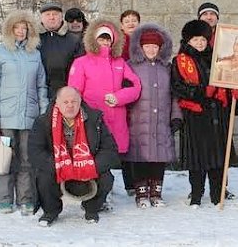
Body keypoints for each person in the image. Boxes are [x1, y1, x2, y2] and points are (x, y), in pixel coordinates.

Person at [171, 20, 238, 207]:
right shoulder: (180, 61)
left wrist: (236, 94)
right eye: (195, 40)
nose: (200, 43)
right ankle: (196, 194)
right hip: (195, 116)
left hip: (218, 115)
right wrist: (203, 92)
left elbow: (231, 81)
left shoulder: (219, 58)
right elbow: (178, 87)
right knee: (197, 160)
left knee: (217, 159)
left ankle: (216, 193)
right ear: (188, 41)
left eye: (203, 39)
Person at [0, 10, 49, 215]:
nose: (21, 31)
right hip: (5, 115)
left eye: (25, 28)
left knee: (27, 160)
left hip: (29, 116)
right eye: (17, 28)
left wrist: (44, 113)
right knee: (5, 159)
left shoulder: (35, 54)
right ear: (10, 30)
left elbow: (41, 86)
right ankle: (4, 199)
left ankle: (26, 198)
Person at [68, 19, 142, 197]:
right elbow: (74, 91)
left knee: (110, 155)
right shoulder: (81, 62)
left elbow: (135, 86)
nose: (105, 42)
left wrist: (118, 97)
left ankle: (106, 191)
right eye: (101, 39)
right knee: (92, 154)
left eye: (108, 39)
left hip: (116, 118)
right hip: (91, 119)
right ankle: (95, 193)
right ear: (94, 39)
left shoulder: (120, 63)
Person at [28, 86, 119, 226]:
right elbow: (35, 152)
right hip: (58, 167)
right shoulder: (43, 121)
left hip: (87, 166)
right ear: (57, 103)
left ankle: (92, 209)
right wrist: (60, 167)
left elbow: (110, 150)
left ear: (80, 101)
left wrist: (91, 167)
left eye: (74, 101)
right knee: (43, 177)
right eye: (65, 102)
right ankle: (50, 211)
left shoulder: (95, 119)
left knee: (106, 178)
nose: (70, 105)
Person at [125, 23, 182, 208]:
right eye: (147, 46)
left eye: (155, 47)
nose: (151, 50)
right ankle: (141, 194)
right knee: (140, 156)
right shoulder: (131, 66)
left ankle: (156, 192)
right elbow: (124, 91)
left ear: (160, 48)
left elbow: (174, 94)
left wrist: (176, 116)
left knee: (159, 157)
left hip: (161, 120)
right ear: (140, 47)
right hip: (138, 120)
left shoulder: (167, 67)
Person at [38, 1, 84, 99]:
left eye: (55, 14)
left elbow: (80, 70)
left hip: (66, 95)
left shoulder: (73, 40)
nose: (51, 17)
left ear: (61, 17)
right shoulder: (34, 40)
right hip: (39, 96)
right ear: (41, 18)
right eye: (47, 14)